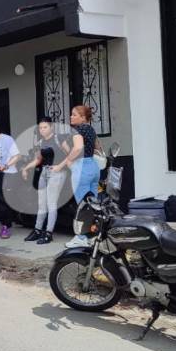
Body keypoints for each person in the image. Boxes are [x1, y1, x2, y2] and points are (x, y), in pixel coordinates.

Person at [51, 105, 102, 248]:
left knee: (82, 206)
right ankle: (92, 235)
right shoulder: (91, 130)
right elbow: (97, 147)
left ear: (83, 118)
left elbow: (78, 148)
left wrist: (63, 164)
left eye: (74, 114)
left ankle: (81, 237)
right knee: (93, 204)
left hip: (81, 168)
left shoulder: (77, 130)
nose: (71, 116)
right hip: (93, 167)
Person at [21, 117, 71, 245]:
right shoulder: (40, 142)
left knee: (51, 204)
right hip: (44, 172)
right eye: (41, 128)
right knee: (41, 204)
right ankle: (37, 230)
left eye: (45, 127)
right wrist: (26, 168)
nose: (42, 130)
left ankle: (48, 233)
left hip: (57, 172)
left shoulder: (59, 139)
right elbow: (38, 160)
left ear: (51, 127)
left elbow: (70, 155)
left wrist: (60, 166)